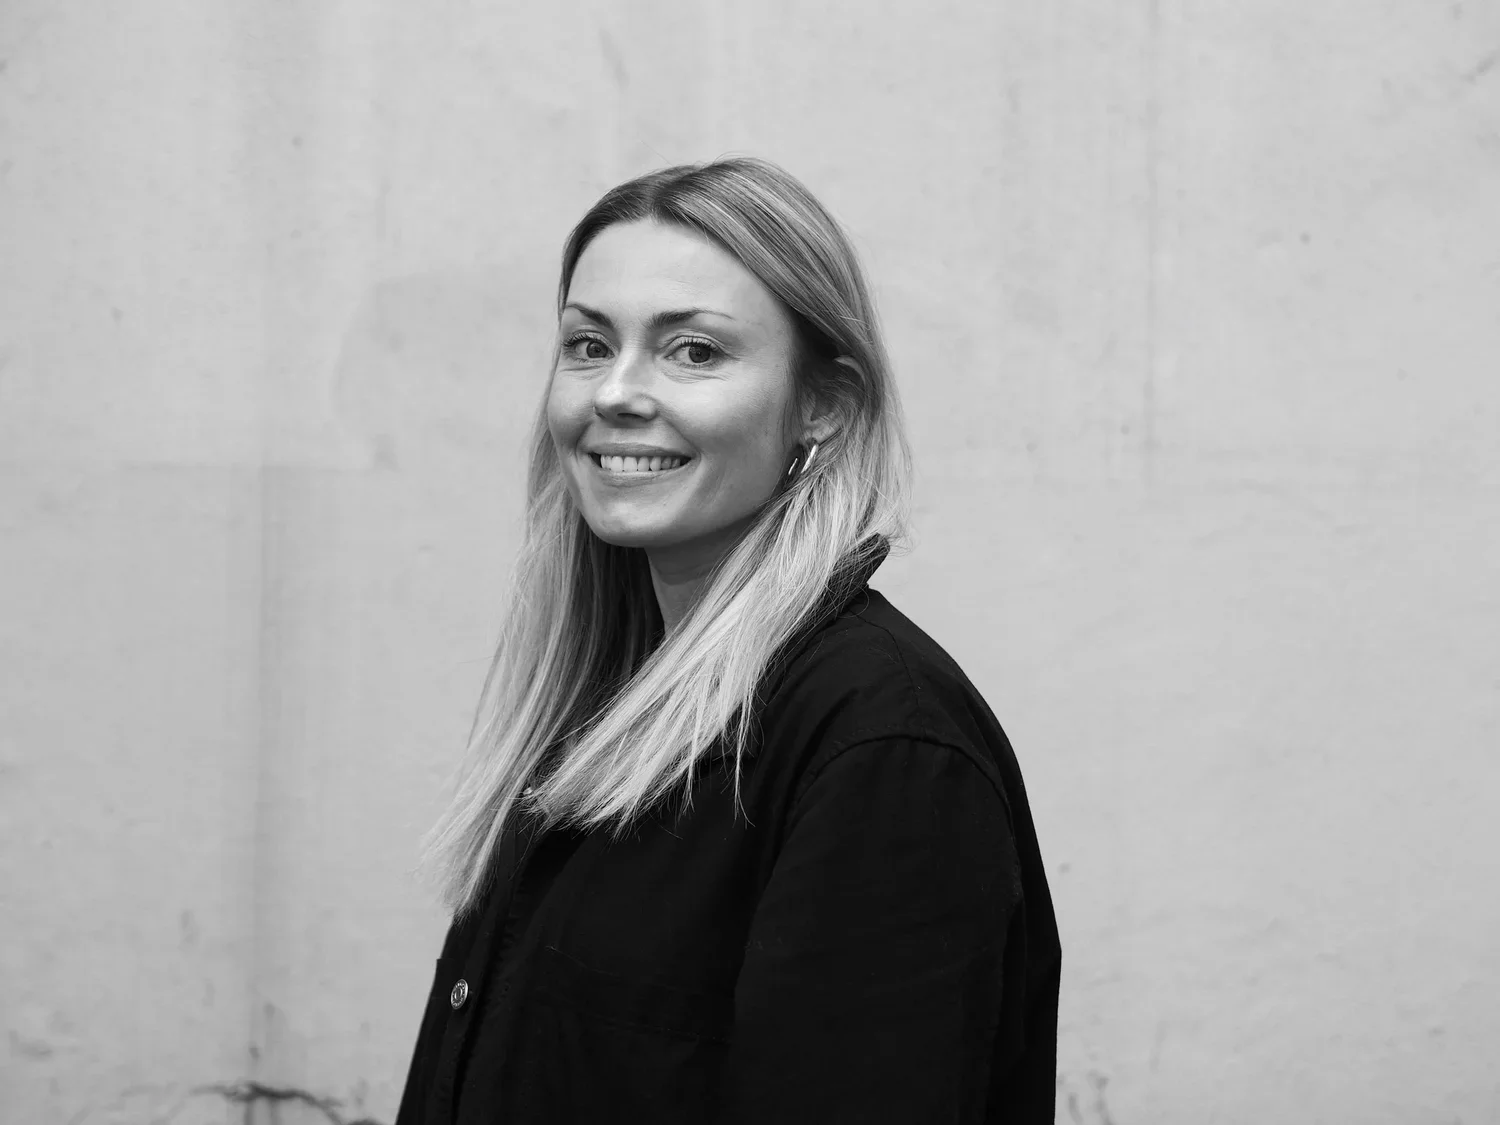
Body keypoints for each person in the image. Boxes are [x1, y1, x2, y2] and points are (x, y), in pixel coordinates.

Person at [394, 156, 1061, 1124]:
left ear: (823, 406)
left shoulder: (877, 747)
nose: (616, 393)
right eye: (587, 345)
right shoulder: (614, 699)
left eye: (693, 352)